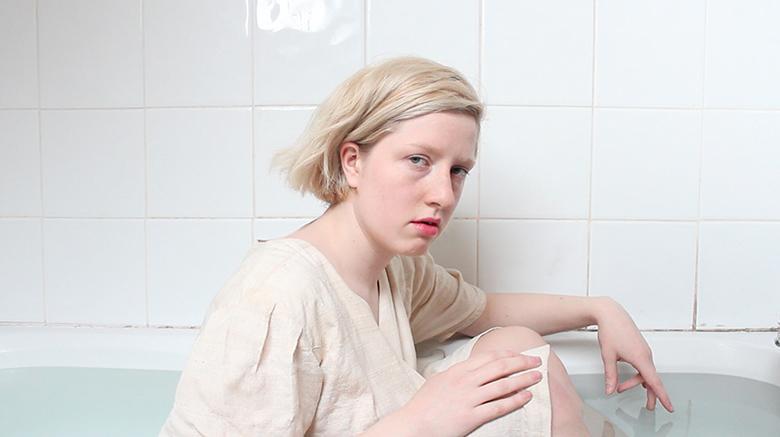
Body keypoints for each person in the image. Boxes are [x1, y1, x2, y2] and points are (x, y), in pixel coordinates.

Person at [160, 56, 673, 436]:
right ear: (352, 162)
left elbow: (481, 311)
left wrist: (600, 309)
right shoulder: (275, 298)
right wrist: (420, 423)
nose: (443, 195)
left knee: (518, 349)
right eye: (418, 161)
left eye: (458, 170)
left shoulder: (393, 268)